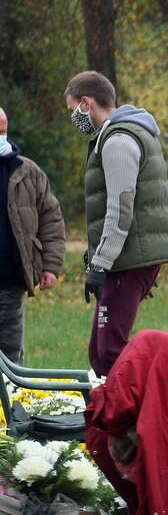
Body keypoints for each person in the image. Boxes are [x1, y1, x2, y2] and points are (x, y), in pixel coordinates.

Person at [64, 71, 168, 377]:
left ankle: (149, 413)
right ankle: (124, 417)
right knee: (100, 353)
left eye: (72, 109)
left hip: (124, 261)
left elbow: (120, 210)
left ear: (86, 103)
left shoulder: (118, 140)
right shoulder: (126, 132)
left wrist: (100, 264)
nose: (72, 118)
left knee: (110, 354)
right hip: (127, 259)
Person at [0, 106, 66, 364]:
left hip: (10, 282)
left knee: (11, 358)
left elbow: (51, 218)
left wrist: (50, 266)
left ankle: (11, 403)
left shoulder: (28, 172)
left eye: (2, 131)